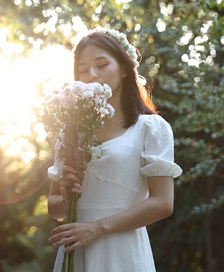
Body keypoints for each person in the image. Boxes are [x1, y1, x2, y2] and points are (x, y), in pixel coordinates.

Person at [47, 27, 182, 272]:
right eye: (83, 68)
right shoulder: (70, 133)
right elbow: (53, 207)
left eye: (101, 64)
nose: (92, 74)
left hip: (125, 252)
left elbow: (163, 203)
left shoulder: (151, 128)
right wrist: (67, 196)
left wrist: (97, 228)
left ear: (123, 69)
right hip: (76, 252)